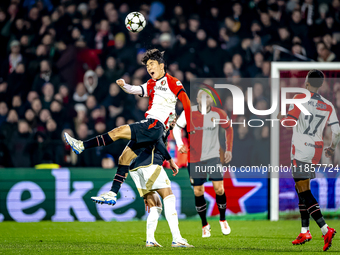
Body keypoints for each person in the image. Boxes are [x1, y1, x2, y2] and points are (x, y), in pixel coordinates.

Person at [64, 49, 194, 206]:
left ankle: (81, 145)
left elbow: (186, 101)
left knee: (117, 131)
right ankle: (112, 193)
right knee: (124, 158)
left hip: (155, 125)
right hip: (152, 130)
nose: (149, 68)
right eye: (147, 66)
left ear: (161, 65)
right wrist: (124, 85)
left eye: (151, 64)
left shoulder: (173, 82)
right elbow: (135, 89)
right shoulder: (151, 83)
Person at [277, 70, 340, 252]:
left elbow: (290, 121)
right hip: (317, 149)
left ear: (306, 82)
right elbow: (336, 132)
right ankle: (304, 231)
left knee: (304, 191)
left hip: (301, 148)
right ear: (320, 85)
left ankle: (325, 229)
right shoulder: (328, 104)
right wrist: (332, 148)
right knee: (301, 187)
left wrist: (281, 117)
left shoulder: (300, 98)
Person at [172, 89, 233, 238]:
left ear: (211, 100)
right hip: (194, 158)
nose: (205, 100)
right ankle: (205, 224)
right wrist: (180, 143)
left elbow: (229, 129)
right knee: (198, 191)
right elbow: (177, 127)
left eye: (208, 97)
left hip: (213, 156)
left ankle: (223, 219)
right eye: (202, 97)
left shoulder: (219, 113)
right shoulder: (189, 112)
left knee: (219, 189)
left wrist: (228, 150)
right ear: (198, 100)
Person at [128, 117, 193, 248]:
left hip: (135, 167)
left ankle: (150, 240)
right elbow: (158, 143)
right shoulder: (160, 126)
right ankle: (177, 239)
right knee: (169, 198)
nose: (174, 121)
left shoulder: (151, 125)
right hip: (150, 164)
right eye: (173, 118)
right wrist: (171, 160)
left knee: (156, 206)